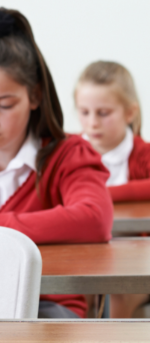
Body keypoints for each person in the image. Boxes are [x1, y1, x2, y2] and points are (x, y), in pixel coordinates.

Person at [0, 7, 113, 319]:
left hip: (47, 307)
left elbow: (95, 218)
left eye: (4, 105)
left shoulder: (68, 153)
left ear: (35, 96)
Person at [75, 60, 150, 317]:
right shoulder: (69, 154)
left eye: (103, 113)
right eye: (84, 112)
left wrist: (100, 198)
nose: (92, 122)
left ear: (129, 113)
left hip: (137, 260)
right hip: (84, 254)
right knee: (77, 291)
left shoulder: (143, 154)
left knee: (119, 291)